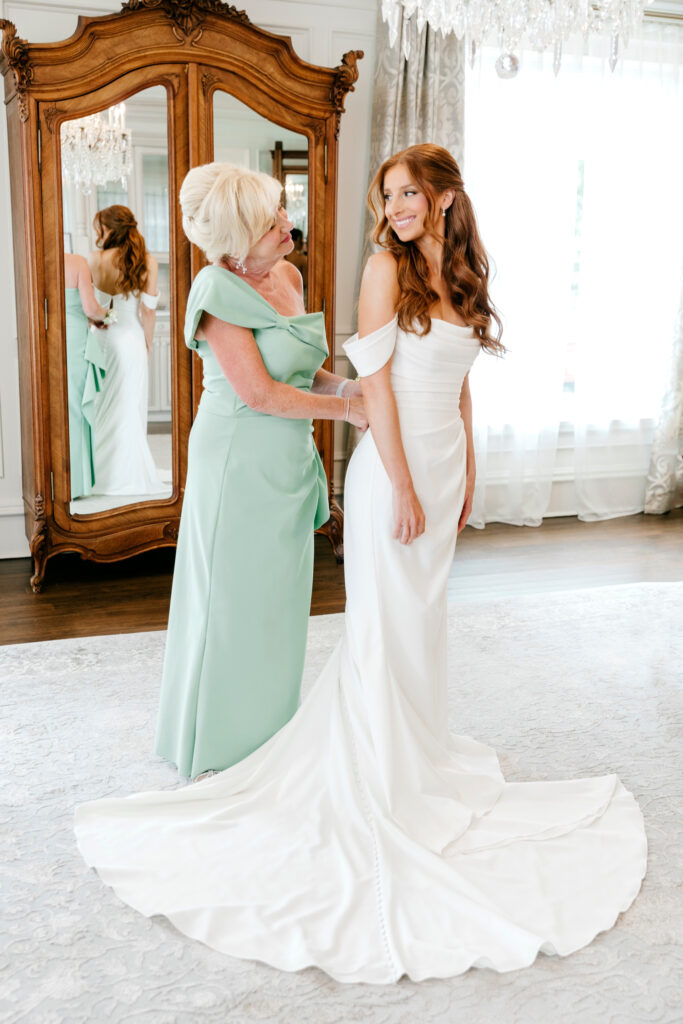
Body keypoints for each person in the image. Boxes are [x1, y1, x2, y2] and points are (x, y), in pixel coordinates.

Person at [75, 145, 646, 984]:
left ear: (446, 198)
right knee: (373, 624)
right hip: (385, 467)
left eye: (410, 192)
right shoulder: (380, 271)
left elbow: (457, 388)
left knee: (420, 625)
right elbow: (365, 389)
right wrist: (404, 481)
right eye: (390, 195)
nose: (398, 206)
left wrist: (468, 477)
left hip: (440, 466)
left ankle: (416, 753)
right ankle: (369, 775)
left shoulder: (453, 273)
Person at [154, 163, 366, 780]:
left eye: (279, 210)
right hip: (236, 465)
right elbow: (261, 394)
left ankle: (270, 732)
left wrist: (350, 388)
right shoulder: (216, 291)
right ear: (231, 240)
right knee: (230, 605)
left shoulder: (289, 275)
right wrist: (350, 411)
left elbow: (300, 371)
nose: (285, 223)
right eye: (267, 222)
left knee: (277, 606)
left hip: (287, 461)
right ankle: (218, 745)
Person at [88, 205, 166, 497]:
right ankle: (126, 476)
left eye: (101, 227)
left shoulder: (94, 260)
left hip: (100, 338)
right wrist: (147, 345)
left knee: (100, 407)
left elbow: (92, 308)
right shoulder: (148, 262)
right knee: (129, 410)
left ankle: (98, 477)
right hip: (131, 339)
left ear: (109, 229)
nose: (99, 233)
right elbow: (147, 311)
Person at [63, 252, 109, 499]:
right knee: (76, 411)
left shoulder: (40, 261)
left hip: (48, 343)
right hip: (75, 343)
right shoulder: (76, 262)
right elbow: (91, 308)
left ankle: (58, 483)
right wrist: (108, 316)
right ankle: (76, 484)